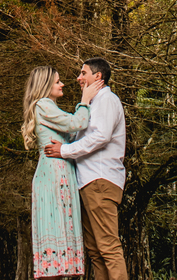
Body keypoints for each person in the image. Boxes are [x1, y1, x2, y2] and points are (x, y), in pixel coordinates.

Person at [44, 58, 127, 280]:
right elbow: (83, 134)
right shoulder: (93, 103)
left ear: (97, 76)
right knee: (95, 251)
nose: (78, 78)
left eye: (83, 73)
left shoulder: (107, 100)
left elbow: (101, 136)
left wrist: (64, 151)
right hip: (89, 183)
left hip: (101, 180)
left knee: (108, 247)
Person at [23, 65, 103, 279]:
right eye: (57, 81)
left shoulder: (50, 107)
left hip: (62, 174)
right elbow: (77, 123)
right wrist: (85, 100)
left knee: (62, 236)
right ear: (45, 85)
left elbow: (74, 129)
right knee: (55, 233)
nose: (62, 84)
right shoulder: (43, 105)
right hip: (52, 175)